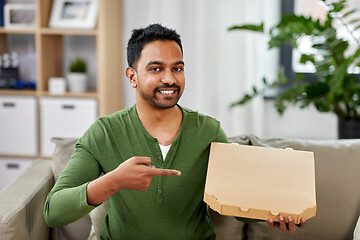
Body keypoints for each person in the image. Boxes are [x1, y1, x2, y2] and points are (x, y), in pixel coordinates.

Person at [44, 23, 306, 239]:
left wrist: (274, 211)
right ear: (132, 76)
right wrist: (113, 181)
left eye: (177, 68)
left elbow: (236, 200)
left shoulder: (209, 130)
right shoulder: (104, 132)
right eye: (156, 68)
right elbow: (53, 211)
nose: (169, 78)